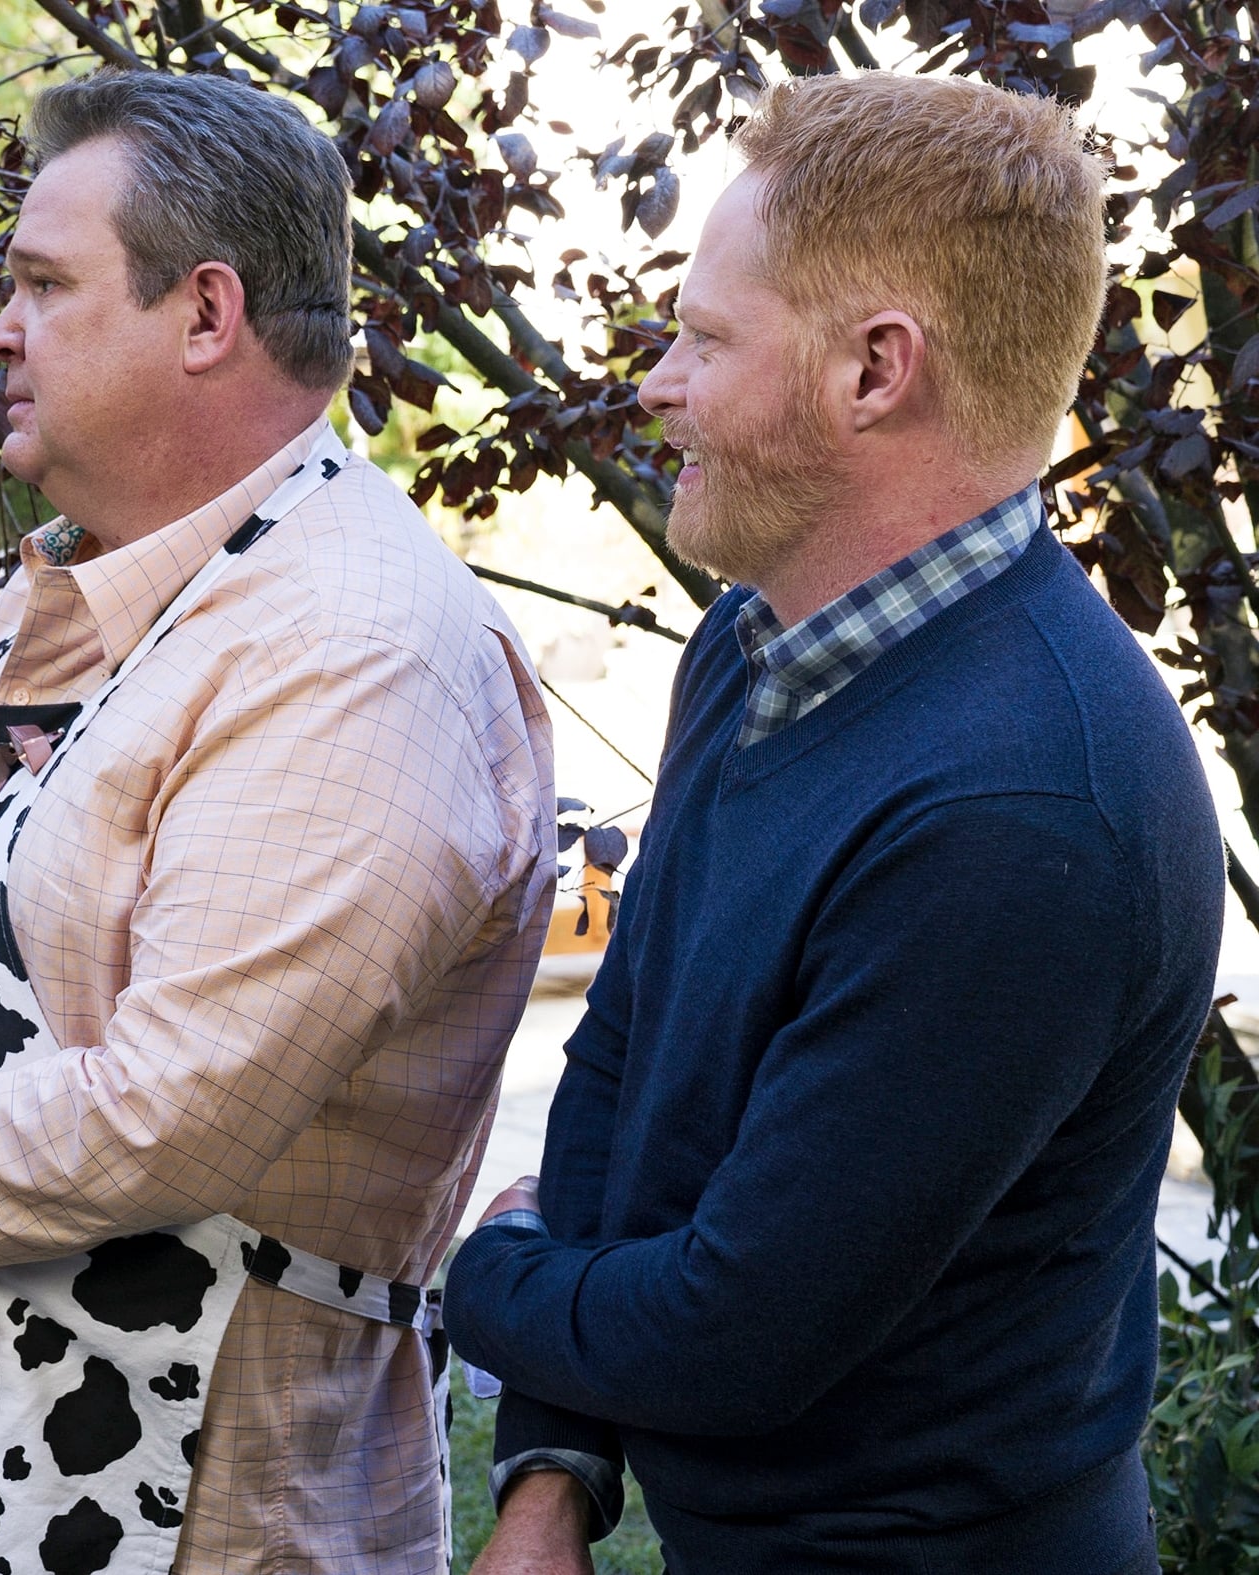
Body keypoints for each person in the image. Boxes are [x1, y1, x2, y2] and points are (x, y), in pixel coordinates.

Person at [0, 70, 556, 1574]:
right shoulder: (75, 582)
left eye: (41, 285)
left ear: (206, 314)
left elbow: (171, 1113)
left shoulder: (354, 649)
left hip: (183, 1509)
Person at [446, 73, 1222, 1575]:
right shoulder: (755, 649)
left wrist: (483, 1274)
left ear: (875, 371)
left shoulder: (1015, 814)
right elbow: (626, 1066)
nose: (658, 384)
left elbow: (733, 1333)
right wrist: (555, 1472)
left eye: (706, 339)